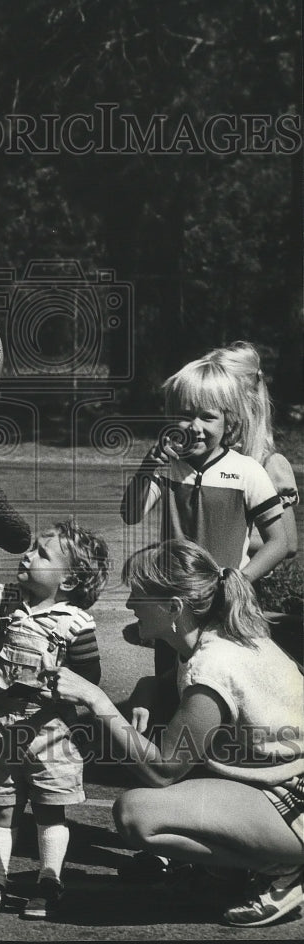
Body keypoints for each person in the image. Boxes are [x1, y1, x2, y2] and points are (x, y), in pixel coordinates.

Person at [53, 539, 304, 929]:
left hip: (294, 805)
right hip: (283, 786)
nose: (129, 605)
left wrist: (97, 702)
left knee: (137, 813)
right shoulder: (220, 633)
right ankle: (234, 868)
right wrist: (148, 687)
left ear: (173, 607)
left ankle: (282, 867)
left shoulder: (212, 669)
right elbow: (185, 680)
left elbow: (163, 770)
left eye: (138, 595)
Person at [0, 518, 108, 921]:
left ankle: (49, 880)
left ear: (70, 580)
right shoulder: (11, 601)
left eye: (42, 553)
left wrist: (57, 671)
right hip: (2, 725)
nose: (28, 554)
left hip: (51, 731)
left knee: (48, 808)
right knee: (1, 806)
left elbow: (90, 678)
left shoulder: (77, 623)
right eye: (33, 548)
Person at [120, 352, 289, 685]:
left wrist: (238, 580)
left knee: (223, 678)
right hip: (173, 604)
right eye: (184, 415)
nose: (195, 426)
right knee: (172, 679)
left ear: (230, 423)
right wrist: (148, 467)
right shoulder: (167, 469)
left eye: (207, 416)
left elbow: (280, 541)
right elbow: (130, 514)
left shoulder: (247, 472)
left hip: (225, 605)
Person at [204, 341, 301, 662]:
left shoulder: (270, 464)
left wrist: (233, 541)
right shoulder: (214, 460)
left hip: (242, 595)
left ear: (242, 405)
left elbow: (286, 544)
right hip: (201, 588)